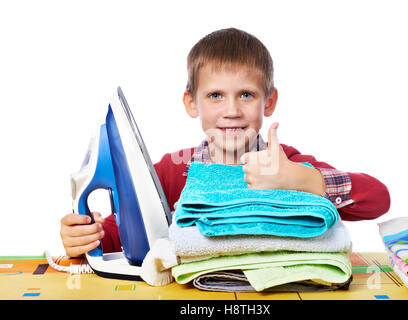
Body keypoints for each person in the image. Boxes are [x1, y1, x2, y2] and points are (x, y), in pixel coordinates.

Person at [60, 28, 390, 257]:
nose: (231, 111)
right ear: (192, 103)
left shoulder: (287, 164)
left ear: (269, 102)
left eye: (246, 94)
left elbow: (378, 199)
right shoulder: (173, 172)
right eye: (215, 95)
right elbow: (124, 234)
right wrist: (88, 234)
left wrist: (304, 180)